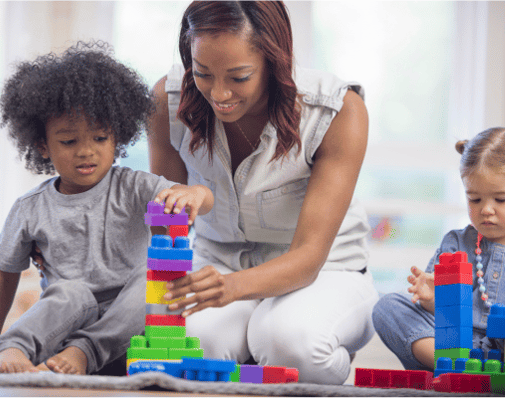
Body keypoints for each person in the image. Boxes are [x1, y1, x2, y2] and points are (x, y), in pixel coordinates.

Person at [147, 1, 378, 384]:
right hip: (219, 264)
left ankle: (286, 356)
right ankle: (256, 363)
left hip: (325, 271)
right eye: (203, 73)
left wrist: (233, 287)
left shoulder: (337, 112)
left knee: (289, 341)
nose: (219, 93)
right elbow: (164, 229)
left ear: (275, 61)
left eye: (239, 77)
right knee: (189, 345)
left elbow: (308, 257)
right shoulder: (168, 102)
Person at [0, 41, 213, 375]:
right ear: (43, 146)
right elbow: (4, 279)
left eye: (99, 138)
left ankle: (85, 353)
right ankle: (11, 350)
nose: (86, 151)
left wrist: (197, 192)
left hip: (132, 332)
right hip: (64, 333)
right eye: (69, 141)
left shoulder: (136, 186)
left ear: (117, 137)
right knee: (72, 293)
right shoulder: (30, 208)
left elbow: (204, 202)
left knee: (155, 280)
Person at [373, 127, 505, 371]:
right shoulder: (455, 244)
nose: (486, 209)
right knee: (388, 307)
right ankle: (451, 366)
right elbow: (438, 313)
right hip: (451, 344)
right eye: (474, 199)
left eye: (501, 199)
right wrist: (432, 300)